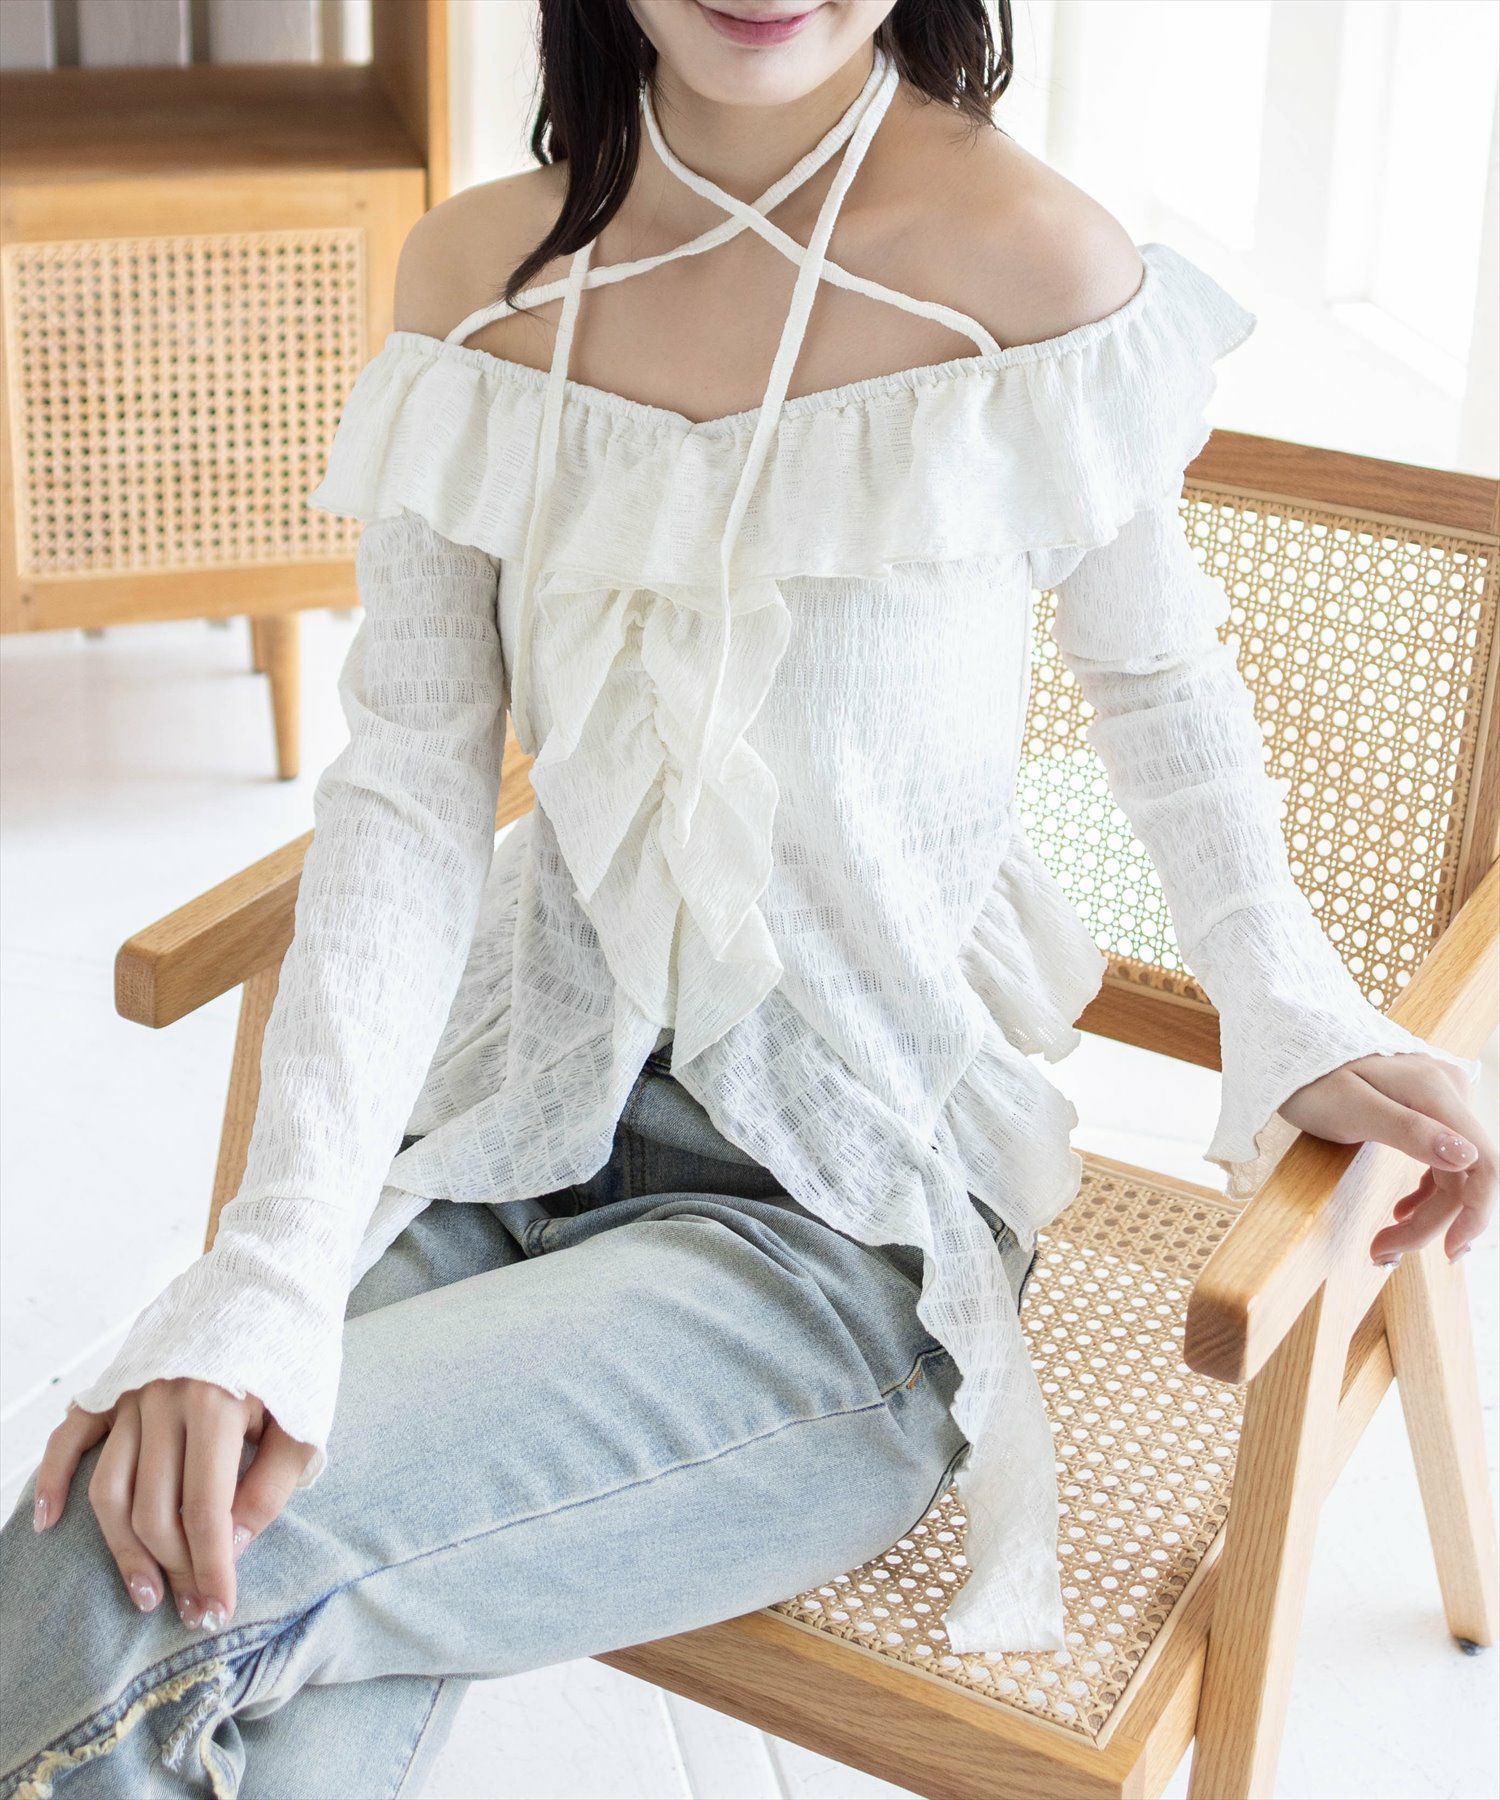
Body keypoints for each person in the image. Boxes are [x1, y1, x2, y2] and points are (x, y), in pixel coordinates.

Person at [2, 3, 1492, 1795]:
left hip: (835, 1246)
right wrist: (270, 1267)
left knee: (120, 1586)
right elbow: (406, 799)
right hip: (495, 1145)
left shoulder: (1031, 266)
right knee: (138, 1556)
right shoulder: (477, 280)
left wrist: (1292, 1005)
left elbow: (1162, 693)